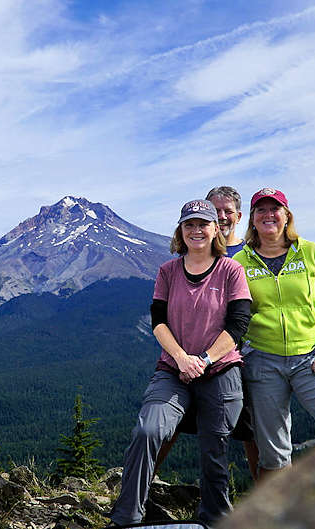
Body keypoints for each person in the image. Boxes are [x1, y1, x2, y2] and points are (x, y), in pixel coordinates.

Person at [110, 199, 251, 526]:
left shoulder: (232, 270)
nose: (196, 230)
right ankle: (126, 517)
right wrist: (182, 359)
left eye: (203, 224)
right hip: (174, 369)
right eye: (190, 224)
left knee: (213, 448)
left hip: (220, 369)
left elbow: (238, 324)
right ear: (180, 230)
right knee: (148, 430)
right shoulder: (168, 271)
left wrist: (203, 359)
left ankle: (215, 519)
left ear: (216, 229)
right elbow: (158, 320)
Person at [233, 188, 315, 480]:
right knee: (274, 455)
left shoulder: (312, 253)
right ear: (252, 219)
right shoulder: (240, 262)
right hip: (262, 363)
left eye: (274, 208)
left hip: (311, 360)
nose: (268, 215)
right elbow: (234, 316)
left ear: (286, 215)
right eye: (260, 210)